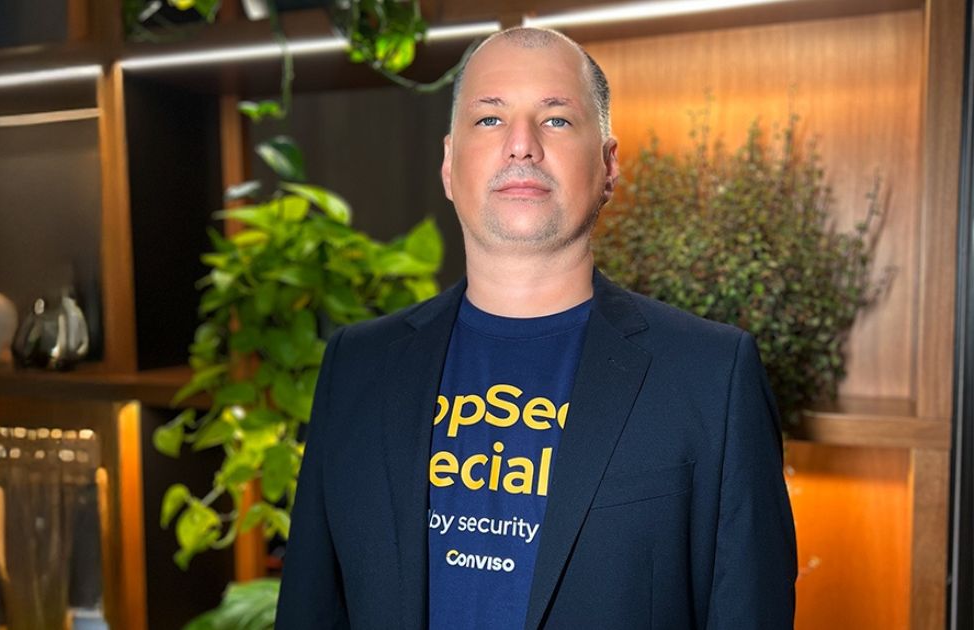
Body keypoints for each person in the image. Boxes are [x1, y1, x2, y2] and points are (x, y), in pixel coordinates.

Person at [275, 26, 796, 629]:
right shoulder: (357, 365)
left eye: (556, 120)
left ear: (607, 165)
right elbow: (311, 609)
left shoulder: (712, 377)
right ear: (448, 165)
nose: (522, 145)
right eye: (490, 120)